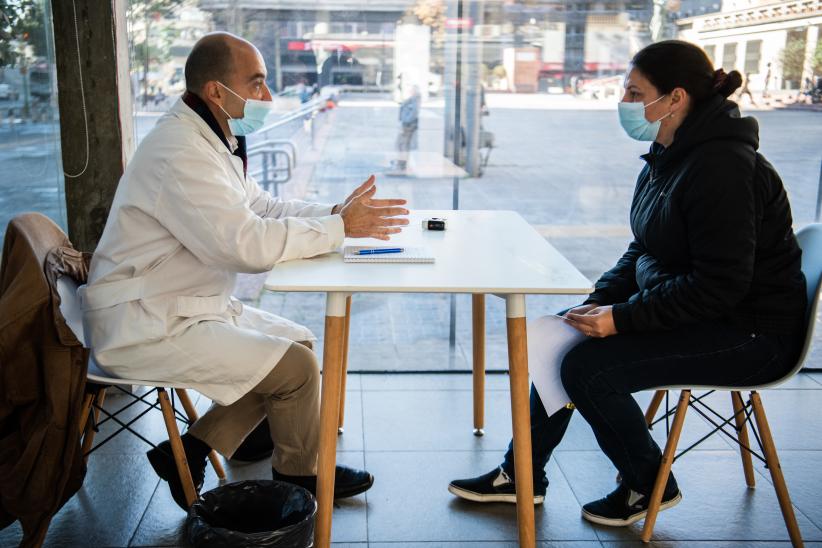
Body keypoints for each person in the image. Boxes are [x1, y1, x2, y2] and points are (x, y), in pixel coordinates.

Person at [449, 40, 806, 528]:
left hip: (750, 334)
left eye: (635, 93)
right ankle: (521, 475)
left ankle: (645, 483)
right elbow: (644, 248)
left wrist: (621, 318)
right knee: (562, 342)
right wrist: (599, 302)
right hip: (701, 314)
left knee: (589, 370)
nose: (625, 103)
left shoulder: (721, 169)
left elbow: (719, 286)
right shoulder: (669, 156)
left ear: (675, 98)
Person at [80, 32, 409, 510]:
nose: (268, 98)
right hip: (144, 323)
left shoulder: (211, 137)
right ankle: (297, 490)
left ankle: (192, 449)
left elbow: (264, 206)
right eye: (256, 84)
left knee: (298, 343)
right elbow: (246, 246)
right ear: (217, 91)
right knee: (294, 370)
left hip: (184, 305)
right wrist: (338, 228)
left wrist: (335, 211)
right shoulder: (181, 152)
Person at [392, 85, 420, 172]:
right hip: (405, 125)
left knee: (403, 145)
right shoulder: (412, 99)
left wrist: (406, 121)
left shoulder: (415, 100)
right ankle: (401, 163)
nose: (410, 91)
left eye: (412, 89)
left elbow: (414, 113)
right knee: (400, 144)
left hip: (408, 126)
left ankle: (402, 164)